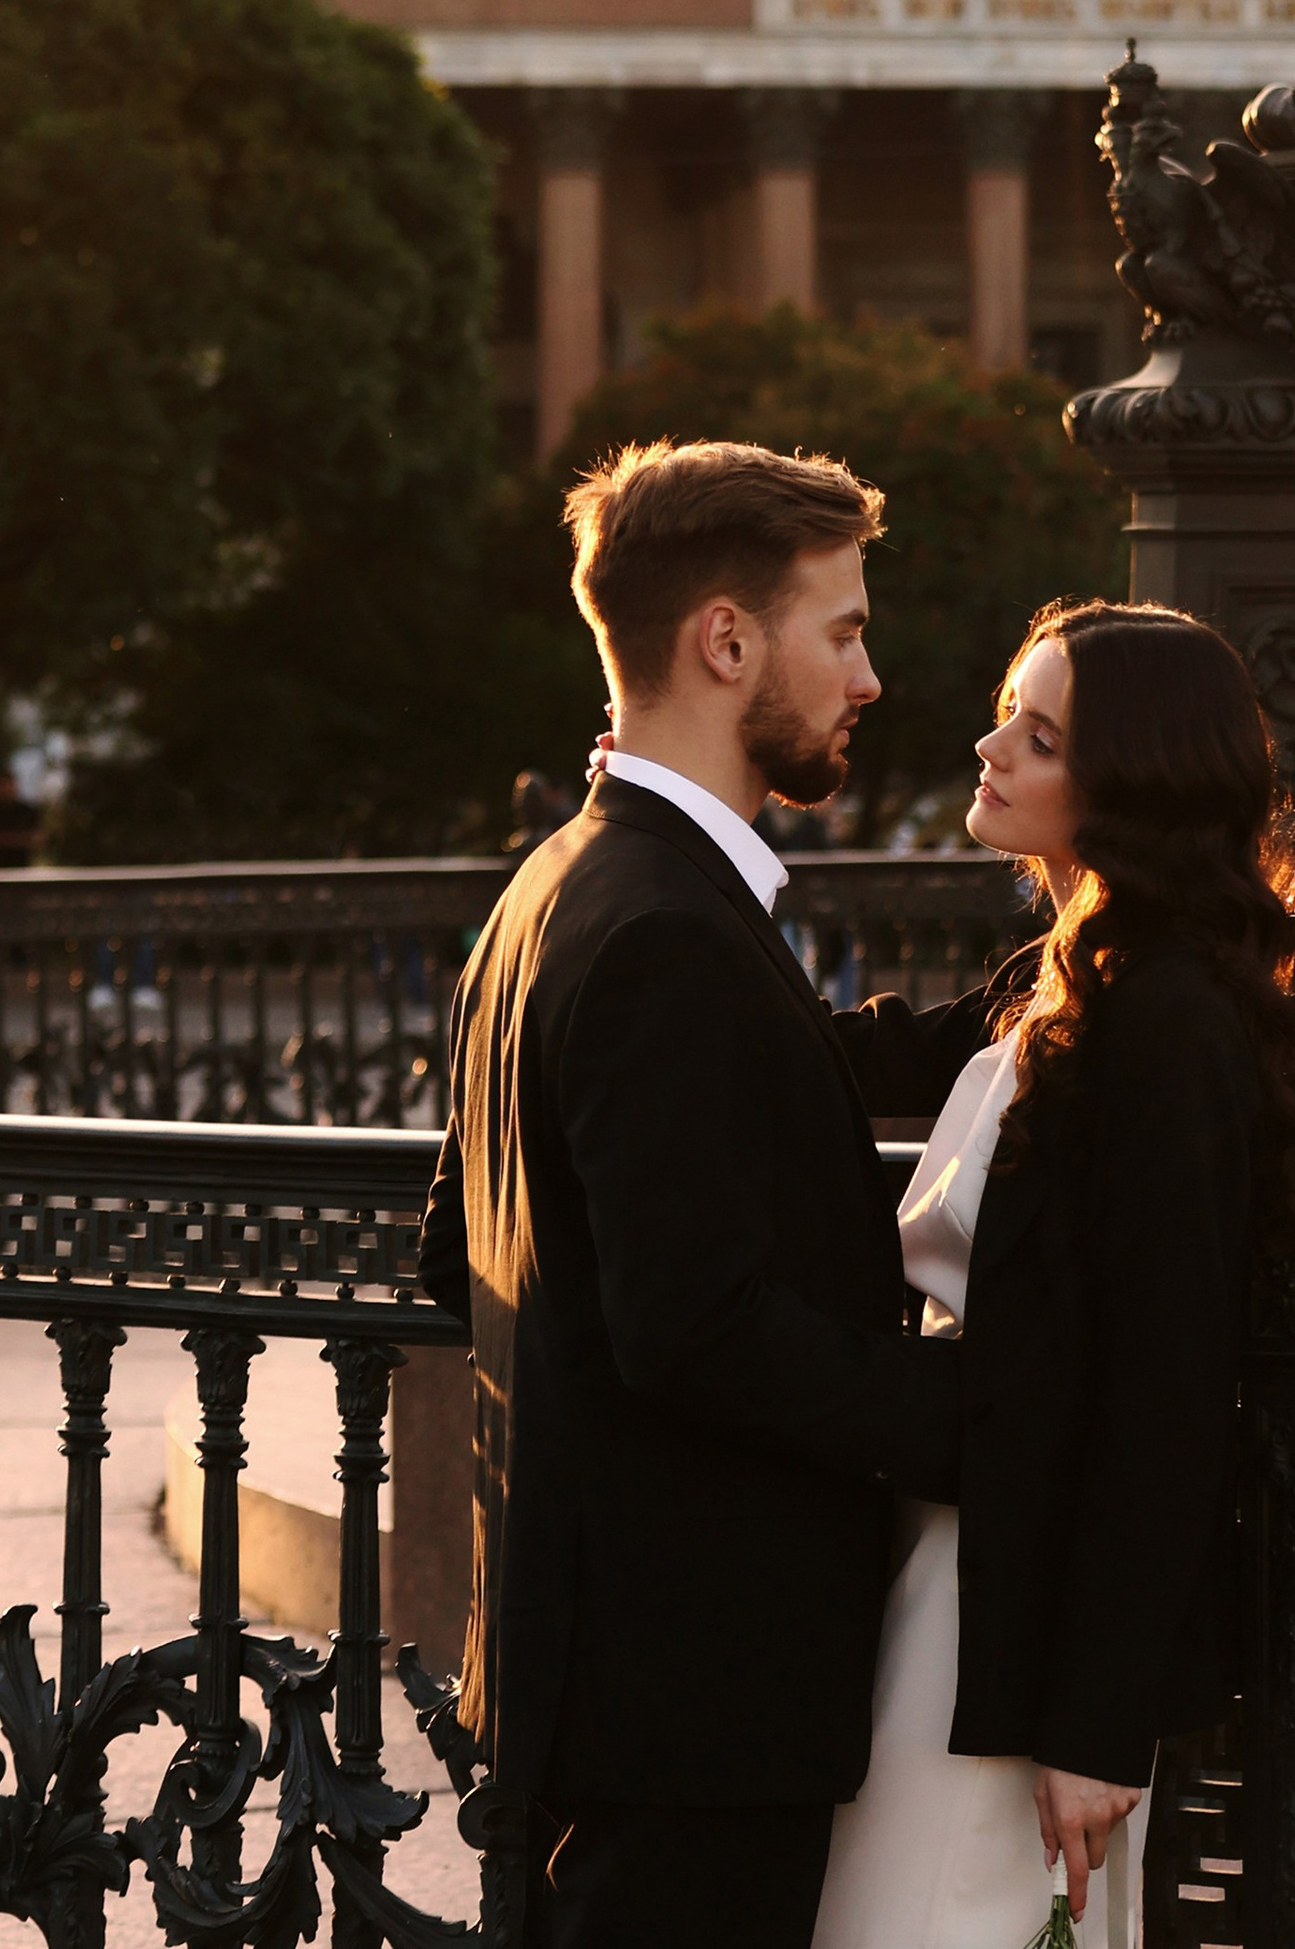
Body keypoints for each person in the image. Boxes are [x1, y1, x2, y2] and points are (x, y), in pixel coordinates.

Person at [417, 437, 966, 1949]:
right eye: (842, 630)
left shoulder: (558, 889)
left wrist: (1017, 1016)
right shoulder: (670, 932)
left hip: (596, 1655)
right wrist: (993, 1417)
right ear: (727, 640)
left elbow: (464, 1229)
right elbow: (698, 1327)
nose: (868, 676)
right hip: (697, 1692)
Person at [812, 599, 1295, 1948]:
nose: (989, 749)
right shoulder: (1077, 973)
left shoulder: (1170, 1020)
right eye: (1007, 715)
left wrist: (1098, 1726)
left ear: (1130, 783)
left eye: (1034, 738)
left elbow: (1167, 1393)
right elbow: (848, 1061)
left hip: (1028, 1612)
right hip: (956, 1558)